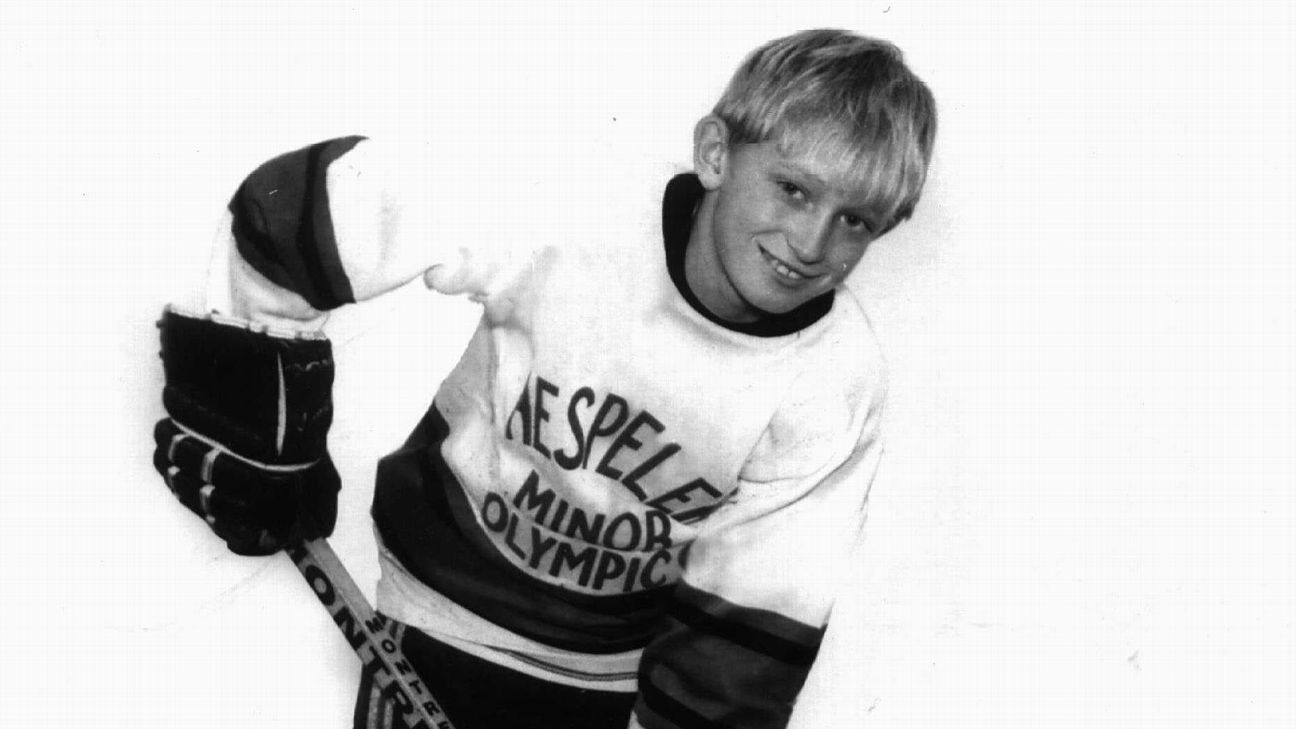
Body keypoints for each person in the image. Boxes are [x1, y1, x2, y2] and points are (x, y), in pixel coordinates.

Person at [152, 28, 937, 729]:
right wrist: (246, 409)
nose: (811, 242)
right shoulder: (572, 208)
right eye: (793, 188)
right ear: (716, 154)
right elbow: (309, 206)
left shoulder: (835, 377)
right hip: (440, 615)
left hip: (610, 677)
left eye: (855, 220)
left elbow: (752, 618)